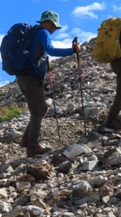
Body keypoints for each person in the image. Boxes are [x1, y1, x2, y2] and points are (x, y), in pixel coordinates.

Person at [16, 11, 80, 157]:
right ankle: (32, 147)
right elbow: (51, 50)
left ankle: (26, 140)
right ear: (50, 23)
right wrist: (73, 50)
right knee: (38, 111)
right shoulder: (43, 32)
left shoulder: (32, 33)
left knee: (41, 108)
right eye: (55, 27)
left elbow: (37, 53)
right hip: (31, 78)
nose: (54, 30)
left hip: (22, 78)